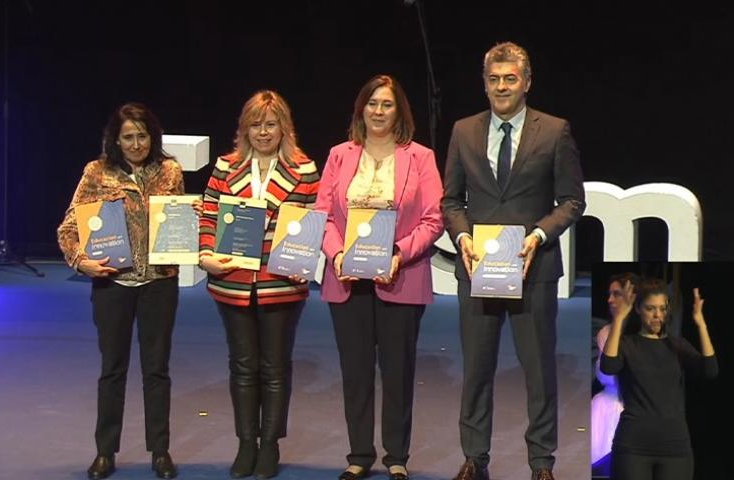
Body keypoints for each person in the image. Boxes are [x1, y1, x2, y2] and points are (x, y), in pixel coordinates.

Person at [440, 42, 586, 480]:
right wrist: (462, 235)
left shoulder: (555, 130)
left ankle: (541, 463)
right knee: (476, 371)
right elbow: (451, 200)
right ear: (484, 84)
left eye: (510, 78)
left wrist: (539, 235)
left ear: (526, 82)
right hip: (478, 269)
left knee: (539, 372)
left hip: (533, 270)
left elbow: (572, 200)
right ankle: (474, 459)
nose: (501, 86)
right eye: (493, 79)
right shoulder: (463, 131)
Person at [315, 74, 444, 480]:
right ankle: (358, 455)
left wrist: (399, 253)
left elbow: (433, 218)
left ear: (399, 111)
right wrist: (335, 254)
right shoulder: (339, 155)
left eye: (387, 104)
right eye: (372, 103)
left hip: (399, 277)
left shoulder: (419, 157)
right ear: (361, 109)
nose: (378, 111)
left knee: (397, 371)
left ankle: (396, 457)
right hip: (347, 279)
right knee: (355, 372)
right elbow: (323, 215)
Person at [58, 102, 194, 479]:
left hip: (159, 284)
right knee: (112, 370)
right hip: (112, 284)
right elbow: (69, 228)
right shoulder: (97, 173)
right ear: (115, 140)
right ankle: (105, 452)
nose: (137, 143)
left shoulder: (170, 171)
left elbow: (179, 223)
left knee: (157, 371)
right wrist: (80, 261)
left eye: (143, 135)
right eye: (129, 137)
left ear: (153, 136)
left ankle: (160, 451)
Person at [198, 90, 319, 479]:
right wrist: (205, 256)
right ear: (243, 128)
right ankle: (245, 443)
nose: (263, 132)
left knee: (275, 367)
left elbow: (317, 222)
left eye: (270, 124)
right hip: (232, 283)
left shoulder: (304, 170)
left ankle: (270, 446)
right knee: (242, 366)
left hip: (281, 284)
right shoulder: (224, 167)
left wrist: (308, 261)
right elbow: (207, 218)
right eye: (255, 125)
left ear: (284, 128)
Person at [601, 278, 718, 480]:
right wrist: (620, 318)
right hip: (633, 446)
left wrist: (701, 324)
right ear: (637, 308)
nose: (657, 315)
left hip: (675, 448)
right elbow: (608, 365)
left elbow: (710, 370)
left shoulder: (677, 346)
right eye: (650, 308)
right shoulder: (628, 344)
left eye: (662, 309)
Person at [591, 273, 638, 470]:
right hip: (608, 408)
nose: (609, 300)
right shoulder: (605, 333)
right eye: (609, 294)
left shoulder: (644, 334)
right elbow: (609, 374)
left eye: (616, 294)